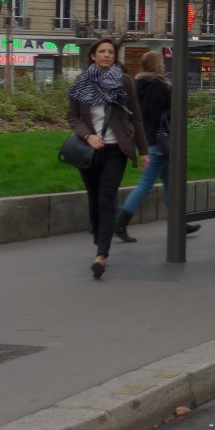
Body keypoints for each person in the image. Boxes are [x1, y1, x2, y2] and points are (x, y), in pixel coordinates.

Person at [65, 37, 148, 279]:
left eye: (110, 52)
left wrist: (143, 151)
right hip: (90, 151)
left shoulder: (123, 82)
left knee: (106, 199)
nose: (106, 55)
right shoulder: (82, 82)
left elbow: (137, 119)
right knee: (94, 199)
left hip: (116, 150)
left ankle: (101, 255)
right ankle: (100, 238)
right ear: (93, 55)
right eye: (101, 51)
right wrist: (88, 136)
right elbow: (72, 116)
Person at [113, 51, 200, 242]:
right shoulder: (157, 86)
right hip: (160, 141)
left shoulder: (140, 85)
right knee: (146, 183)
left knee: (169, 182)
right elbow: (160, 113)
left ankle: (179, 223)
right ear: (155, 65)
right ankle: (120, 223)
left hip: (152, 139)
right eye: (161, 61)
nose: (163, 64)